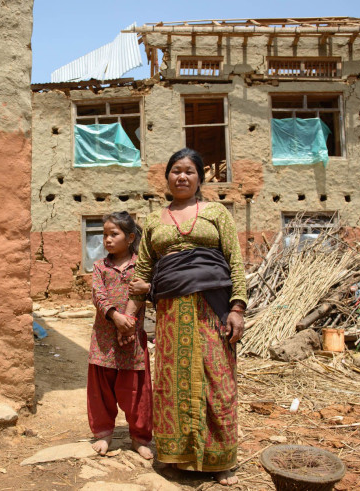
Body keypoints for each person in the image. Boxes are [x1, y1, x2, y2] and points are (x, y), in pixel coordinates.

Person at [126, 148, 247, 485]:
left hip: (214, 307)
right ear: (167, 177)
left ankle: (219, 460)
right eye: (175, 171)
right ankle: (173, 455)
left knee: (218, 382)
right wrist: (130, 315)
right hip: (170, 313)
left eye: (189, 171)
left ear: (199, 178)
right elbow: (144, 271)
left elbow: (235, 261)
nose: (181, 177)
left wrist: (237, 308)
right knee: (171, 384)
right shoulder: (153, 219)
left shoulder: (217, 213)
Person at [88, 211, 153, 460]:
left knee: (136, 390)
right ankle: (103, 434)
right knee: (102, 388)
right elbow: (98, 295)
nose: (107, 239)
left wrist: (129, 324)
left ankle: (140, 437)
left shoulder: (142, 267)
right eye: (104, 234)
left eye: (113, 234)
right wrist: (115, 317)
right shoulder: (100, 267)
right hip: (104, 339)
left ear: (130, 237)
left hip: (132, 337)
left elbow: (142, 295)